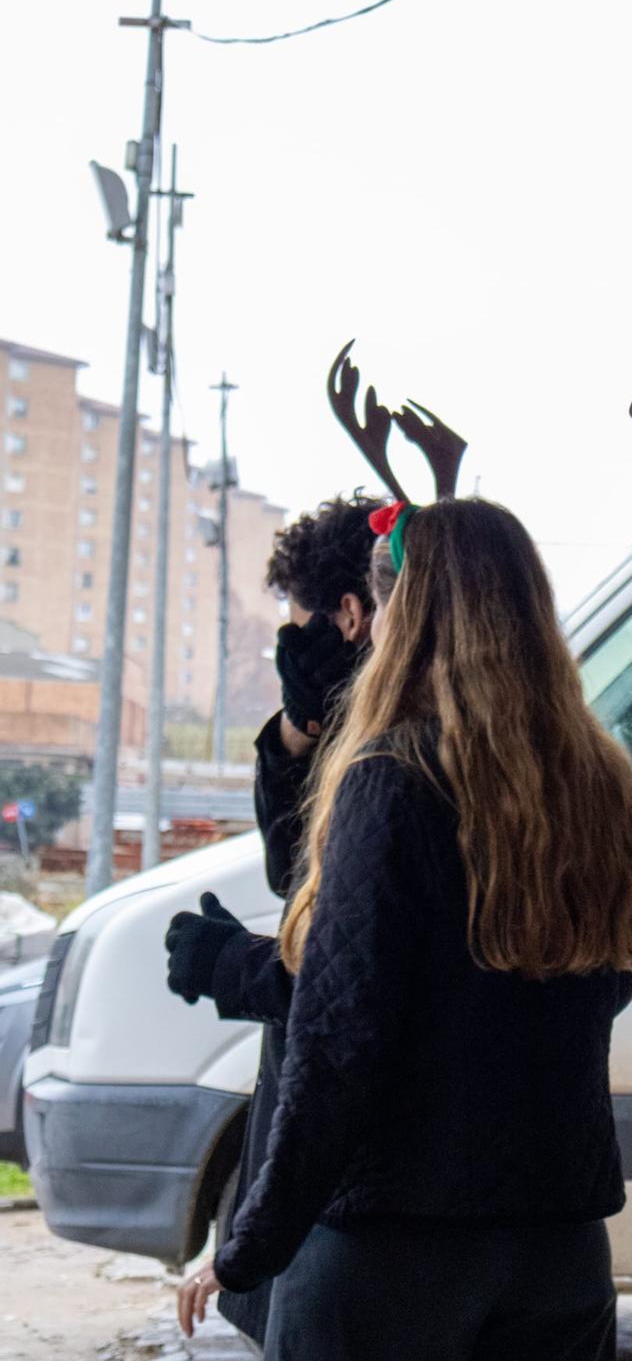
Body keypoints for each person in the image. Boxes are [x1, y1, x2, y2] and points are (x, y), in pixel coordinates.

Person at [177, 496, 632, 1361]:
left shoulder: (392, 777)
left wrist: (250, 1242)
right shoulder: (604, 785)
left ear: (409, 612)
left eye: (381, 603)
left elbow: (340, 1039)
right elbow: (610, 984)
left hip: (390, 1250)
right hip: (560, 1245)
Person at [165, 493, 381, 1350]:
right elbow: (301, 875)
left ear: (351, 614)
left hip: (364, 1200)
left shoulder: (391, 766)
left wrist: (240, 967)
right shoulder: (373, 743)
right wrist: (296, 732)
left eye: (298, 625)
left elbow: (361, 990)